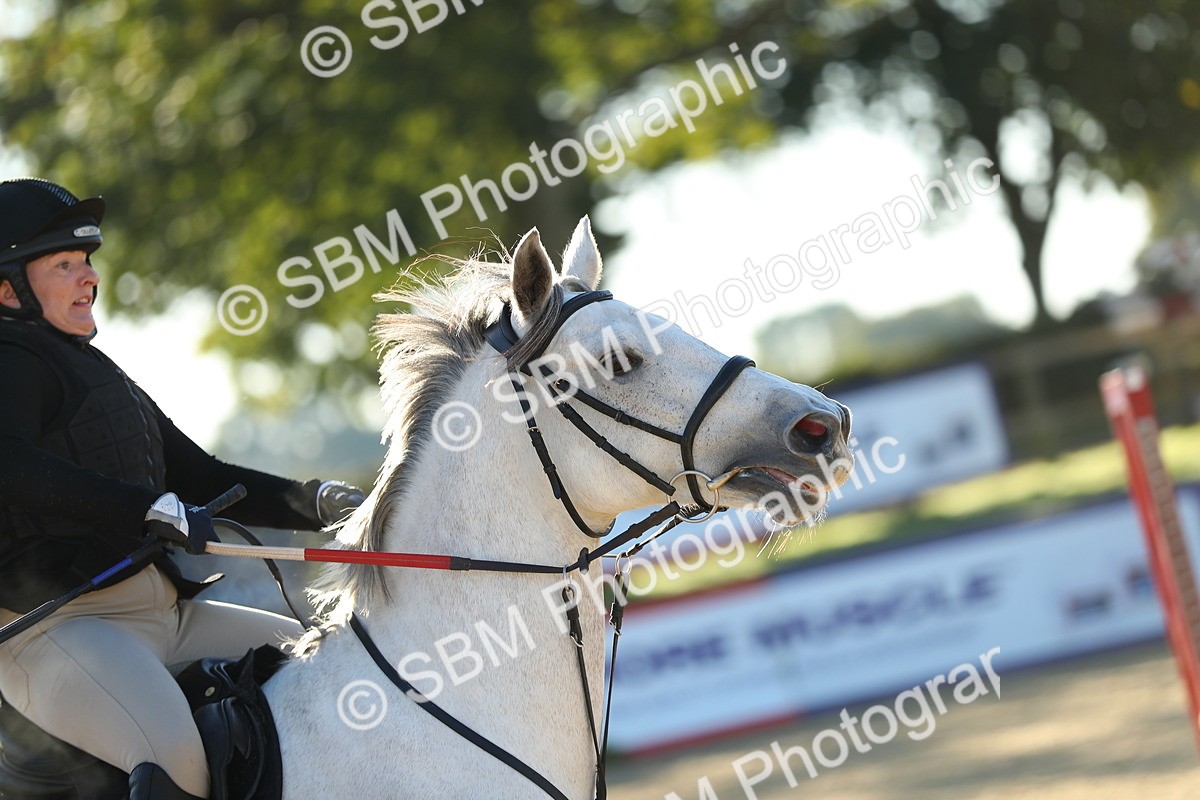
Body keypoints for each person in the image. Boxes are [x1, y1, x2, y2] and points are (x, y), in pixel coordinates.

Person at [0, 178, 365, 800]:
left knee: (334, 670)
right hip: (59, 632)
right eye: (64, 265)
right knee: (175, 762)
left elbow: (205, 479)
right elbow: (12, 464)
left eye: (87, 261)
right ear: (7, 289)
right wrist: (145, 510)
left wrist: (323, 501)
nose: (88, 277)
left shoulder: (99, 370)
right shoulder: (8, 359)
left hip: (168, 614)